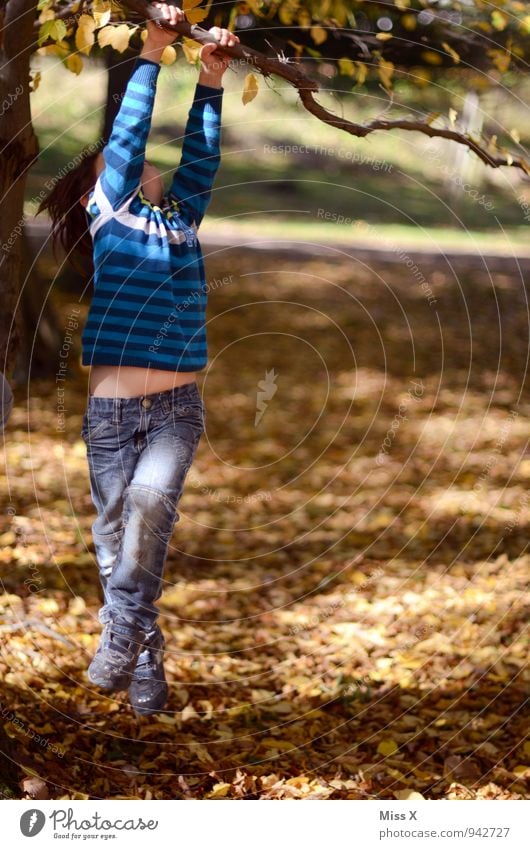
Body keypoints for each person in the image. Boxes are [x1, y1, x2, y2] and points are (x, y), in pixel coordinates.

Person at [38, 3, 239, 715]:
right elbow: (127, 135)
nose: (130, 162)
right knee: (114, 537)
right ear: (96, 195)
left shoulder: (181, 220)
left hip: (177, 409)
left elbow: (202, 156)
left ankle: (122, 632)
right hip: (111, 413)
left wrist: (211, 80)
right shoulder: (113, 216)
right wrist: (152, 53)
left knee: (149, 509)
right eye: (111, 166)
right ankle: (146, 645)